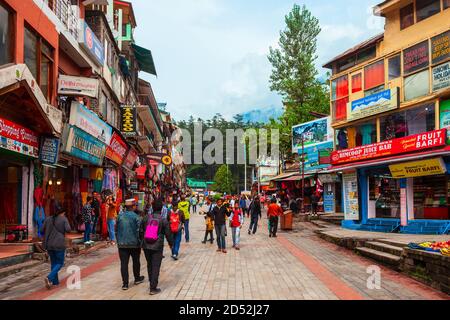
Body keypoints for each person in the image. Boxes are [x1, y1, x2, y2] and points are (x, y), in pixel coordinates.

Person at [140, 198, 174, 295]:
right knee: (156, 266)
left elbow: (140, 231)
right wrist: (171, 245)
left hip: (146, 245)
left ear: (152, 207)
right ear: (162, 208)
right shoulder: (163, 220)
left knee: (149, 265)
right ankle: (153, 287)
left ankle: (151, 283)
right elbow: (168, 234)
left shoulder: (146, 218)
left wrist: (142, 242)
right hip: (157, 246)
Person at [116, 199, 145, 290]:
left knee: (124, 264)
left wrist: (118, 240)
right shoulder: (137, 217)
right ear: (133, 207)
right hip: (134, 244)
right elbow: (140, 231)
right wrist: (141, 242)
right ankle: (137, 278)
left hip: (122, 244)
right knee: (136, 261)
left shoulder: (119, 216)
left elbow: (116, 229)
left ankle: (125, 284)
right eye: (135, 205)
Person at [42, 207, 71, 289]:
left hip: (49, 244)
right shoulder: (64, 219)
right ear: (63, 212)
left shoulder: (48, 219)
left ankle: (55, 282)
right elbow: (68, 229)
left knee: (54, 263)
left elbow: (41, 229)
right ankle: (49, 277)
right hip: (59, 244)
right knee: (60, 263)